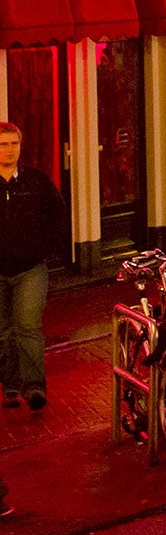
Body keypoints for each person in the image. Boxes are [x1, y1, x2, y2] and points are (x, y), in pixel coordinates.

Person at [0, 121, 65, 413]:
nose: (10, 150)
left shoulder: (35, 181)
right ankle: (11, 386)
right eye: (3, 144)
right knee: (2, 331)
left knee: (27, 327)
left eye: (14, 144)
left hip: (30, 268)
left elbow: (58, 215)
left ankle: (35, 386)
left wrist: (44, 250)